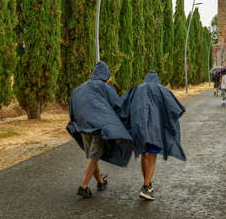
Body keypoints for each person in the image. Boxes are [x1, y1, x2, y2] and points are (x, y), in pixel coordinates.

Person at [66, 61, 134, 198]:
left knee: (93, 156)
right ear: (106, 76)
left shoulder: (79, 88)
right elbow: (117, 105)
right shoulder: (105, 87)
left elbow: (72, 106)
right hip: (97, 126)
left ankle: (100, 182)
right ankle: (83, 186)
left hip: (82, 125)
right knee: (94, 155)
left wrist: (75, 123)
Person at [120, 71, 186, 201]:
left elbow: (124, 106)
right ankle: (145, 187)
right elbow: (174, 108)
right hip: (154, 130)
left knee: (144, 155)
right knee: (152, 156)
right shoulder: (162, 90)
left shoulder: (136, 90)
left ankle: (147, 183)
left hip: (139, 128)